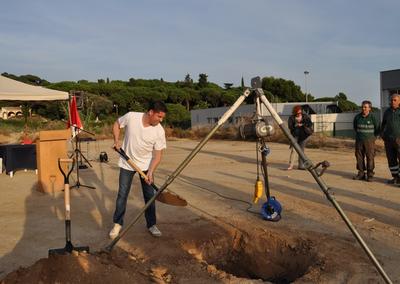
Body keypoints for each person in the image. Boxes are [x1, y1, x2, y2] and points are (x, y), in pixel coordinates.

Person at [109, 101, 167, 239]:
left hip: (146, 166)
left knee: (150, 196)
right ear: (151, 112)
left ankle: (151, 224)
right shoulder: (132, 117)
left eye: (162, 118)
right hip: (127, 162)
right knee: (122, 194)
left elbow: (158, 155)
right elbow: (117, 124)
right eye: (159, 116)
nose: (161, 120)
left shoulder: (159, 130)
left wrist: (151, 171)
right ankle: (117, 224)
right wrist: (117, 140)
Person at [352, 101, 379, 181]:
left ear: (369, 108)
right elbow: (355, 128)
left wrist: (372, 137)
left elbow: (377, 129)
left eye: (365, 107)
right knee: (359, 157)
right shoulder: (357, 117)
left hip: (369, 140)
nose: (363, 108)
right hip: (359, 140)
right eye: (362, 107)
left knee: (370, 157)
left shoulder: (373, 117)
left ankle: (370, 174)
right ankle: (361, 174)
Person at [381, 93, 400, 185]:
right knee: (391, 160)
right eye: (391, 100)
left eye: (395, 100)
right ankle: (395, 178)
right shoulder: (387, 111)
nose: (392, 102)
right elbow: (383, 124)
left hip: (399, 139)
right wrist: (382, 134)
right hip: (388, 140)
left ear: (399, 101)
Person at [287, 105, 313, 170]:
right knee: (294, 150)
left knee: (301, 151)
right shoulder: (291, 118)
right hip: (295, 135)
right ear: (295, 112)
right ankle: (291, 165)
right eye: (298, 113)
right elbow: (290, 127)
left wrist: (303, 124)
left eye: (300, 112)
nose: (299, 114)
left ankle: (301, 166)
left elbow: (310, 124)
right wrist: (296, 125)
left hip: (304, 136)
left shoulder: (305, 116)